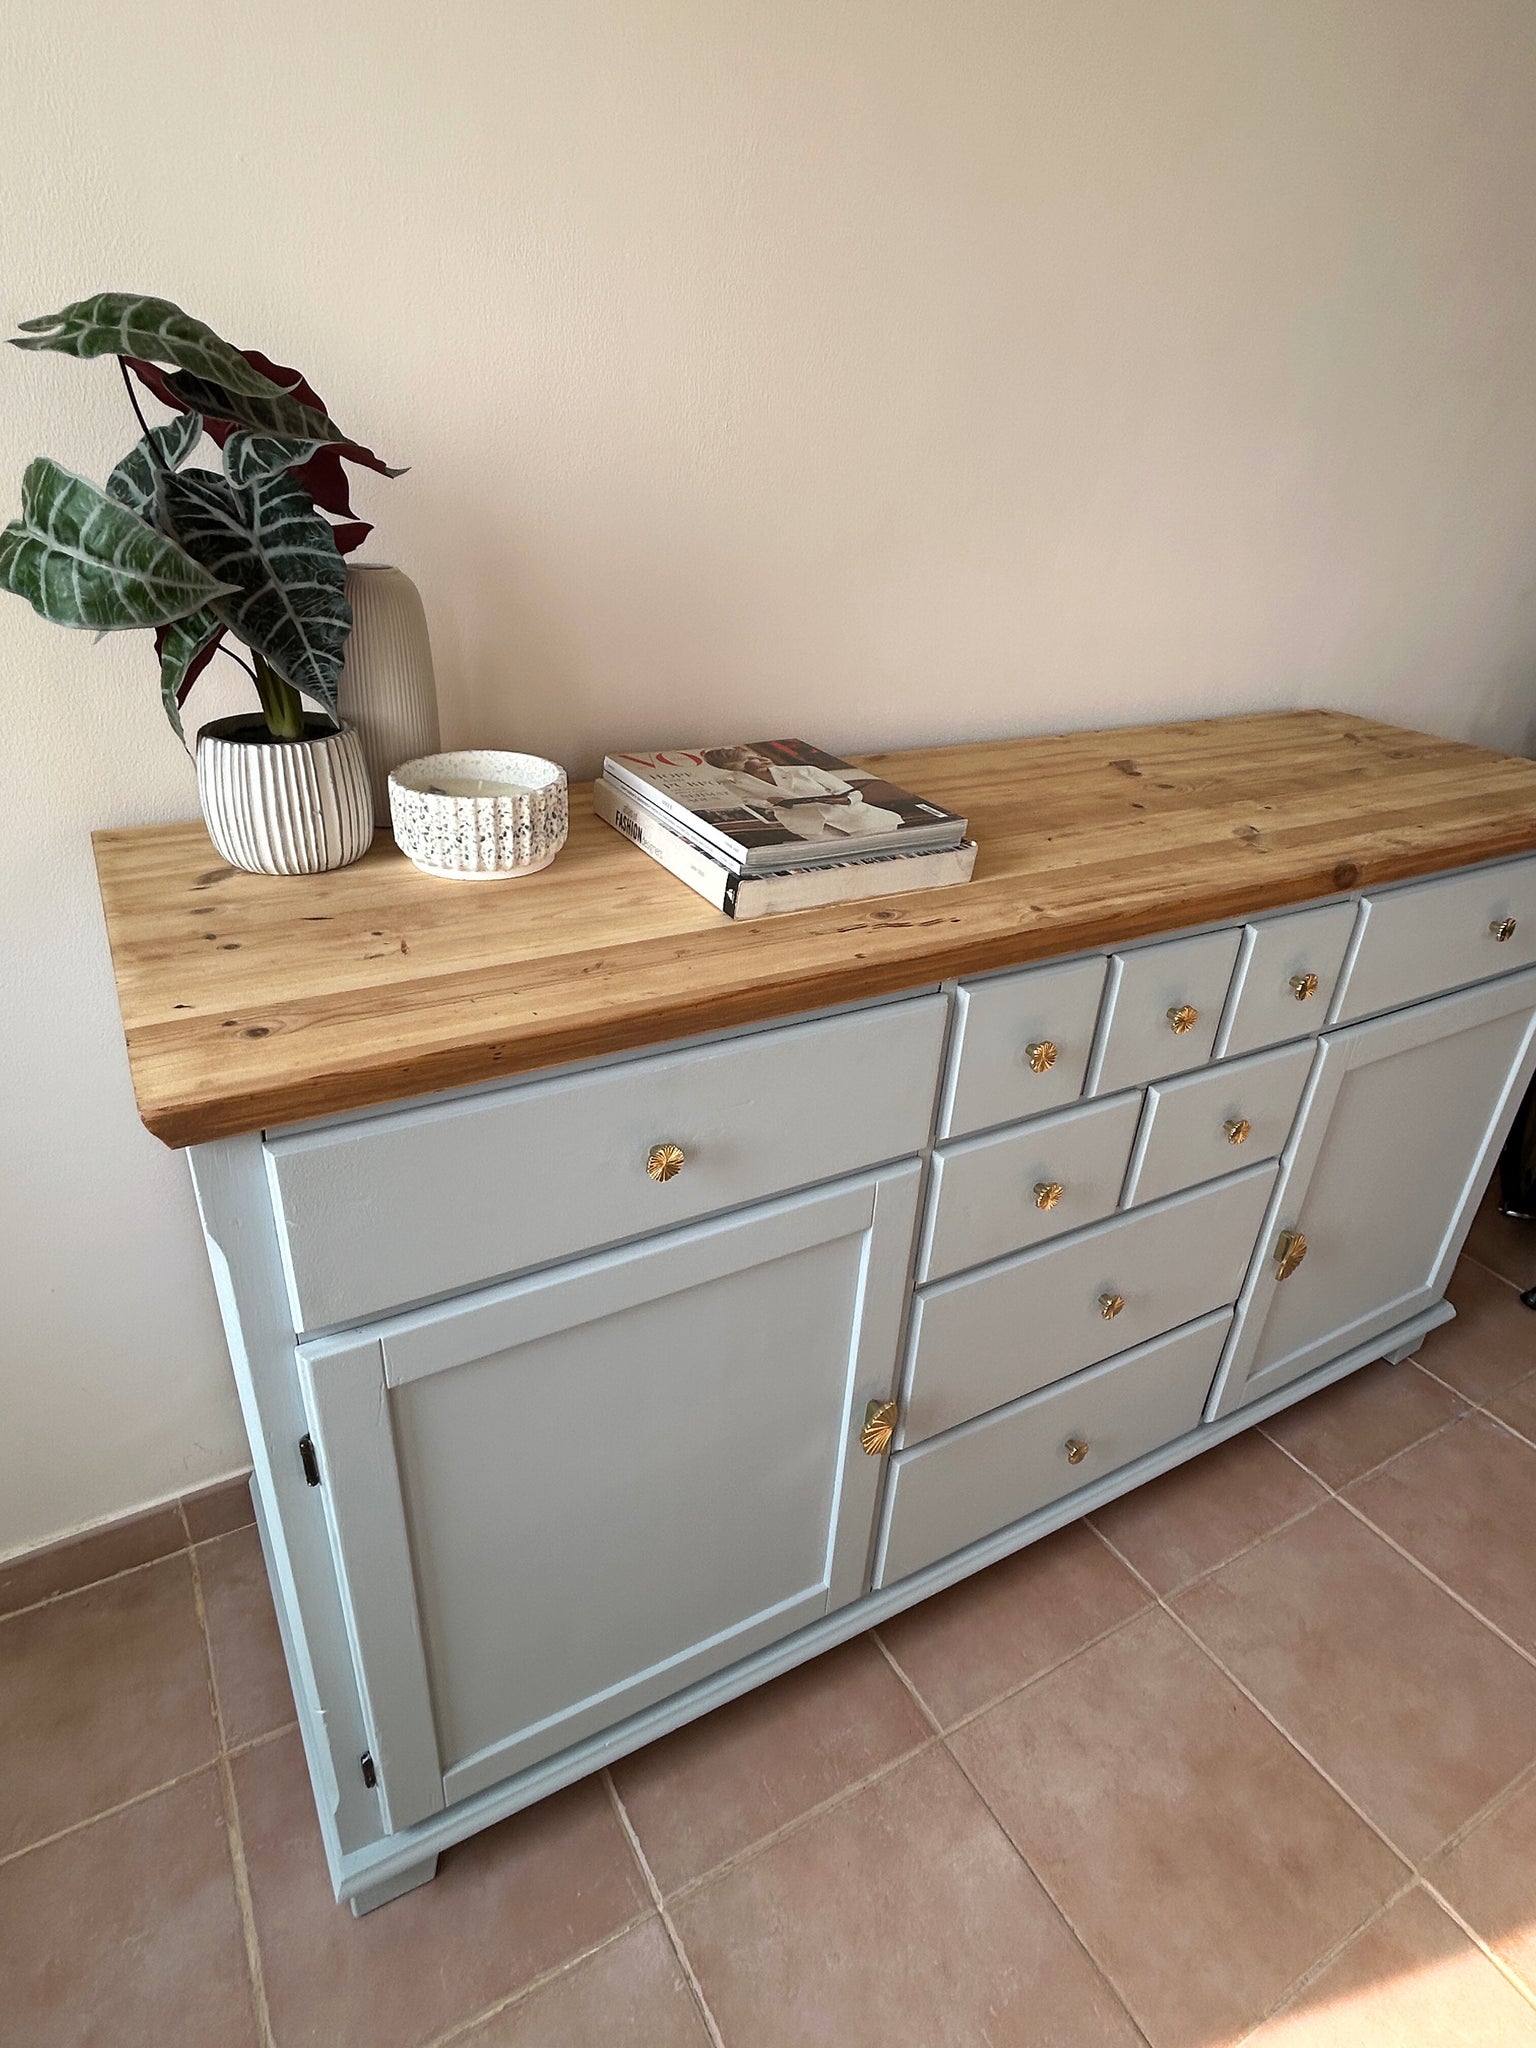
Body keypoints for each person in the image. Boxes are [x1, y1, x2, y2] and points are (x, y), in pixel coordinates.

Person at [700, 746, 904, 842]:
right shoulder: (734, 782)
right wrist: (771, 802)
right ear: (740, 768)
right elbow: (748, 800)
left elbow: (852, 793)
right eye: (754, 761)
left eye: (760, 756)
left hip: (854, 817)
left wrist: (844, 800)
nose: (764, 760)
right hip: (808, 824)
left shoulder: (803, 770)